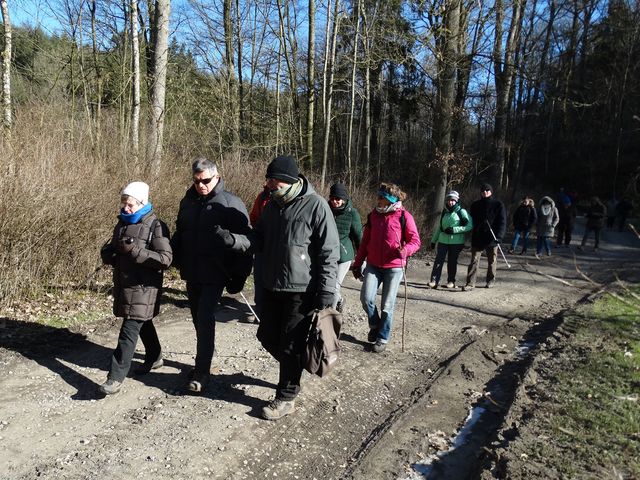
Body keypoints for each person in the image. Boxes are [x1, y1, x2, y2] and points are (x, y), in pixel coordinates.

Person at [213, 155, 339, 420]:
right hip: (270, 284)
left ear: (289, 181)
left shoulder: (316, 206)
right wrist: (234, 240)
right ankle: (294, 368)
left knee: (290, 345)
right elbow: (258, 238)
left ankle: (286, 395)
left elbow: (329, 252)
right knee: (268, 337)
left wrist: (327, 291)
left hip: (301, 290)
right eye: (268, 180)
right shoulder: (272, 205)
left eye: (273, 180)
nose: (269, 184)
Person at [170, 158, 252, 394]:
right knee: (197, 317)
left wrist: (239, 277)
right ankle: (206, 352)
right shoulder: (187, 201)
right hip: (192, 270)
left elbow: (246, 244)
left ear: (217, 177)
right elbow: (181, 232)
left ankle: (202, 371)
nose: (201, 185)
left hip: (217, 272)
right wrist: (170, 254)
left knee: (205, 317)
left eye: (206, 180)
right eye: (196, 181)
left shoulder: (230, 203)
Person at [99, 181, 172, 395]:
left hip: (144, 287)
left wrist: (134, 252)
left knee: (128, 332)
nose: (125, 208)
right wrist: (109, 254)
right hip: (126, 285)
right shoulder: (121, 223)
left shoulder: (156, 225)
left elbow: (165, 259)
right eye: (123, 203)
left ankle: (114, 378)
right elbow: (116, 249)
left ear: (142, 203)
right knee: (143, 322)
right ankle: (155, 356)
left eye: (130, 204)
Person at [350, 183, 421, 352]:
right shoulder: (373, 216)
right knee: (366, 299)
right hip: (373, 265)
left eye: (381, 197)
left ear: (390, 200)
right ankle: (375, 325)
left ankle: (382, 337)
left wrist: (406, 251)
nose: (378, 200)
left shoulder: (404, 216)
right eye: (378, 197)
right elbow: (365, 243)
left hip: (394, 267)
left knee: (387, 305)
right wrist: (357, 263)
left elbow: (415, 241)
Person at [462, 183, 507, 290]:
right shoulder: (475, 205)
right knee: (474, 260)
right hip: (478, 237)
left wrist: (499, 236)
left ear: (491, 192)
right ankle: (470, 283)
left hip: (492, 237)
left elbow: (502, 222)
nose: (485, 192)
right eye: (483, 191)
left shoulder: (498, 205)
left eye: (487, 190)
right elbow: (471, 221)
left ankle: (490, 281)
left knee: (492, 261)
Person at [328, 183, 362, 312]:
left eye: (338, 199)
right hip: (328, 254)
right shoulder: (325, 209)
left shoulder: (352, 213)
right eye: (332, 198)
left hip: (344, 255)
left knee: (334, 287)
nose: (335, 201)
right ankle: (340, 300)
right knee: (326, 285)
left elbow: (358, 236)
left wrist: (362, 259)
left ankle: (331, 315)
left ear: (344, 199)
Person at [428, 190, 472, 289]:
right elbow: (440, 228)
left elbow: (469, 226)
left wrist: (454, 230)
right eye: (449, 200)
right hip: (443, 241)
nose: (450, 202)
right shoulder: (445, 212)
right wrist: (433, 241)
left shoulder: (462, 212)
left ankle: (451, 281)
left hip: (456, 242)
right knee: (438, 261)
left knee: (452, 262)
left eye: (453, 200)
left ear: (457, 201)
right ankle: (434, 280)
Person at [247, 183, 271, 322]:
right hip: (262, 244)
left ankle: (271, 312)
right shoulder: (262, 196)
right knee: (259, 277)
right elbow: (254, 216)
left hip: (279, 246)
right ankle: (259, 310)